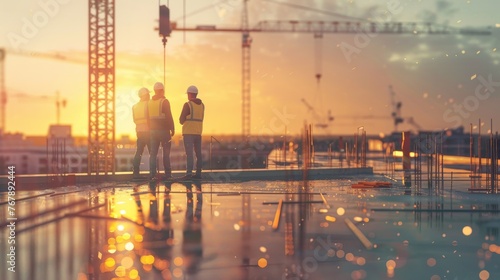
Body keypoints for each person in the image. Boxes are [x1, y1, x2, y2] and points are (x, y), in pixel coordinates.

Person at [149, 82, 175, 181]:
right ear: (162, 90)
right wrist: (172, 128)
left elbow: (148, 118)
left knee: (153, 154)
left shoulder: (150, 102)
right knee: (166, 153)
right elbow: (169, 116)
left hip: (152, 131)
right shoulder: (164, 101)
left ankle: (152, 175)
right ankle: (168, 175)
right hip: (164, 131)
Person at [179, 85, 205, 179]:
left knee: (189, 154)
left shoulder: (188, 105)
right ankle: (198, 173)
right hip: (198, 133)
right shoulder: (202, 105)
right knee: (198, 153)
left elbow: (181, 120)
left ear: (190, 94)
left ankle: (189, 174)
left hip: (188, 132)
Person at [132, 87, 150, 178]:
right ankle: (153, 173)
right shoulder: (148, 104)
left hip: (139, 131)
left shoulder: (135, 106)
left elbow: (135, 120)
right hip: (148, 131)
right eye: (148, 94)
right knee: (152, 153)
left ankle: (136, 172)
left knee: (138, 152)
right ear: (145, 95)